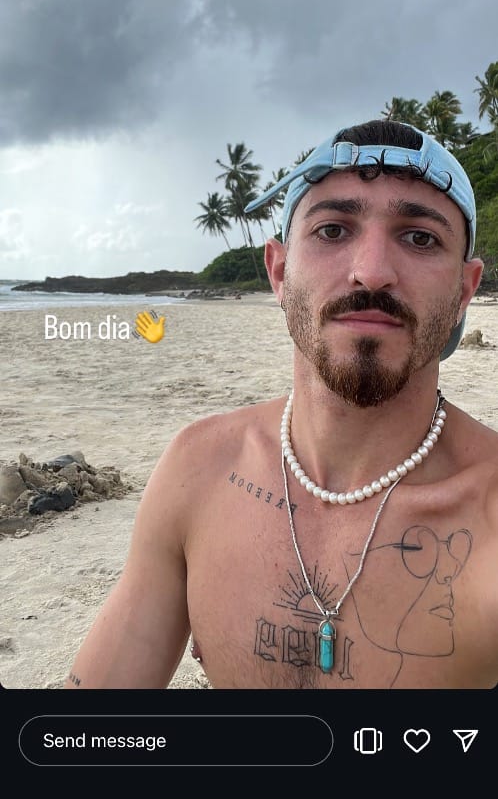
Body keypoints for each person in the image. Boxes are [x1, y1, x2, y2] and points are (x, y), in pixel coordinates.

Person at [64, 119, 498, 690]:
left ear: (465, 289)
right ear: (278, 271)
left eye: (419, 238)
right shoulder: (199, 469)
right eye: (332, 230)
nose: (371, 272)